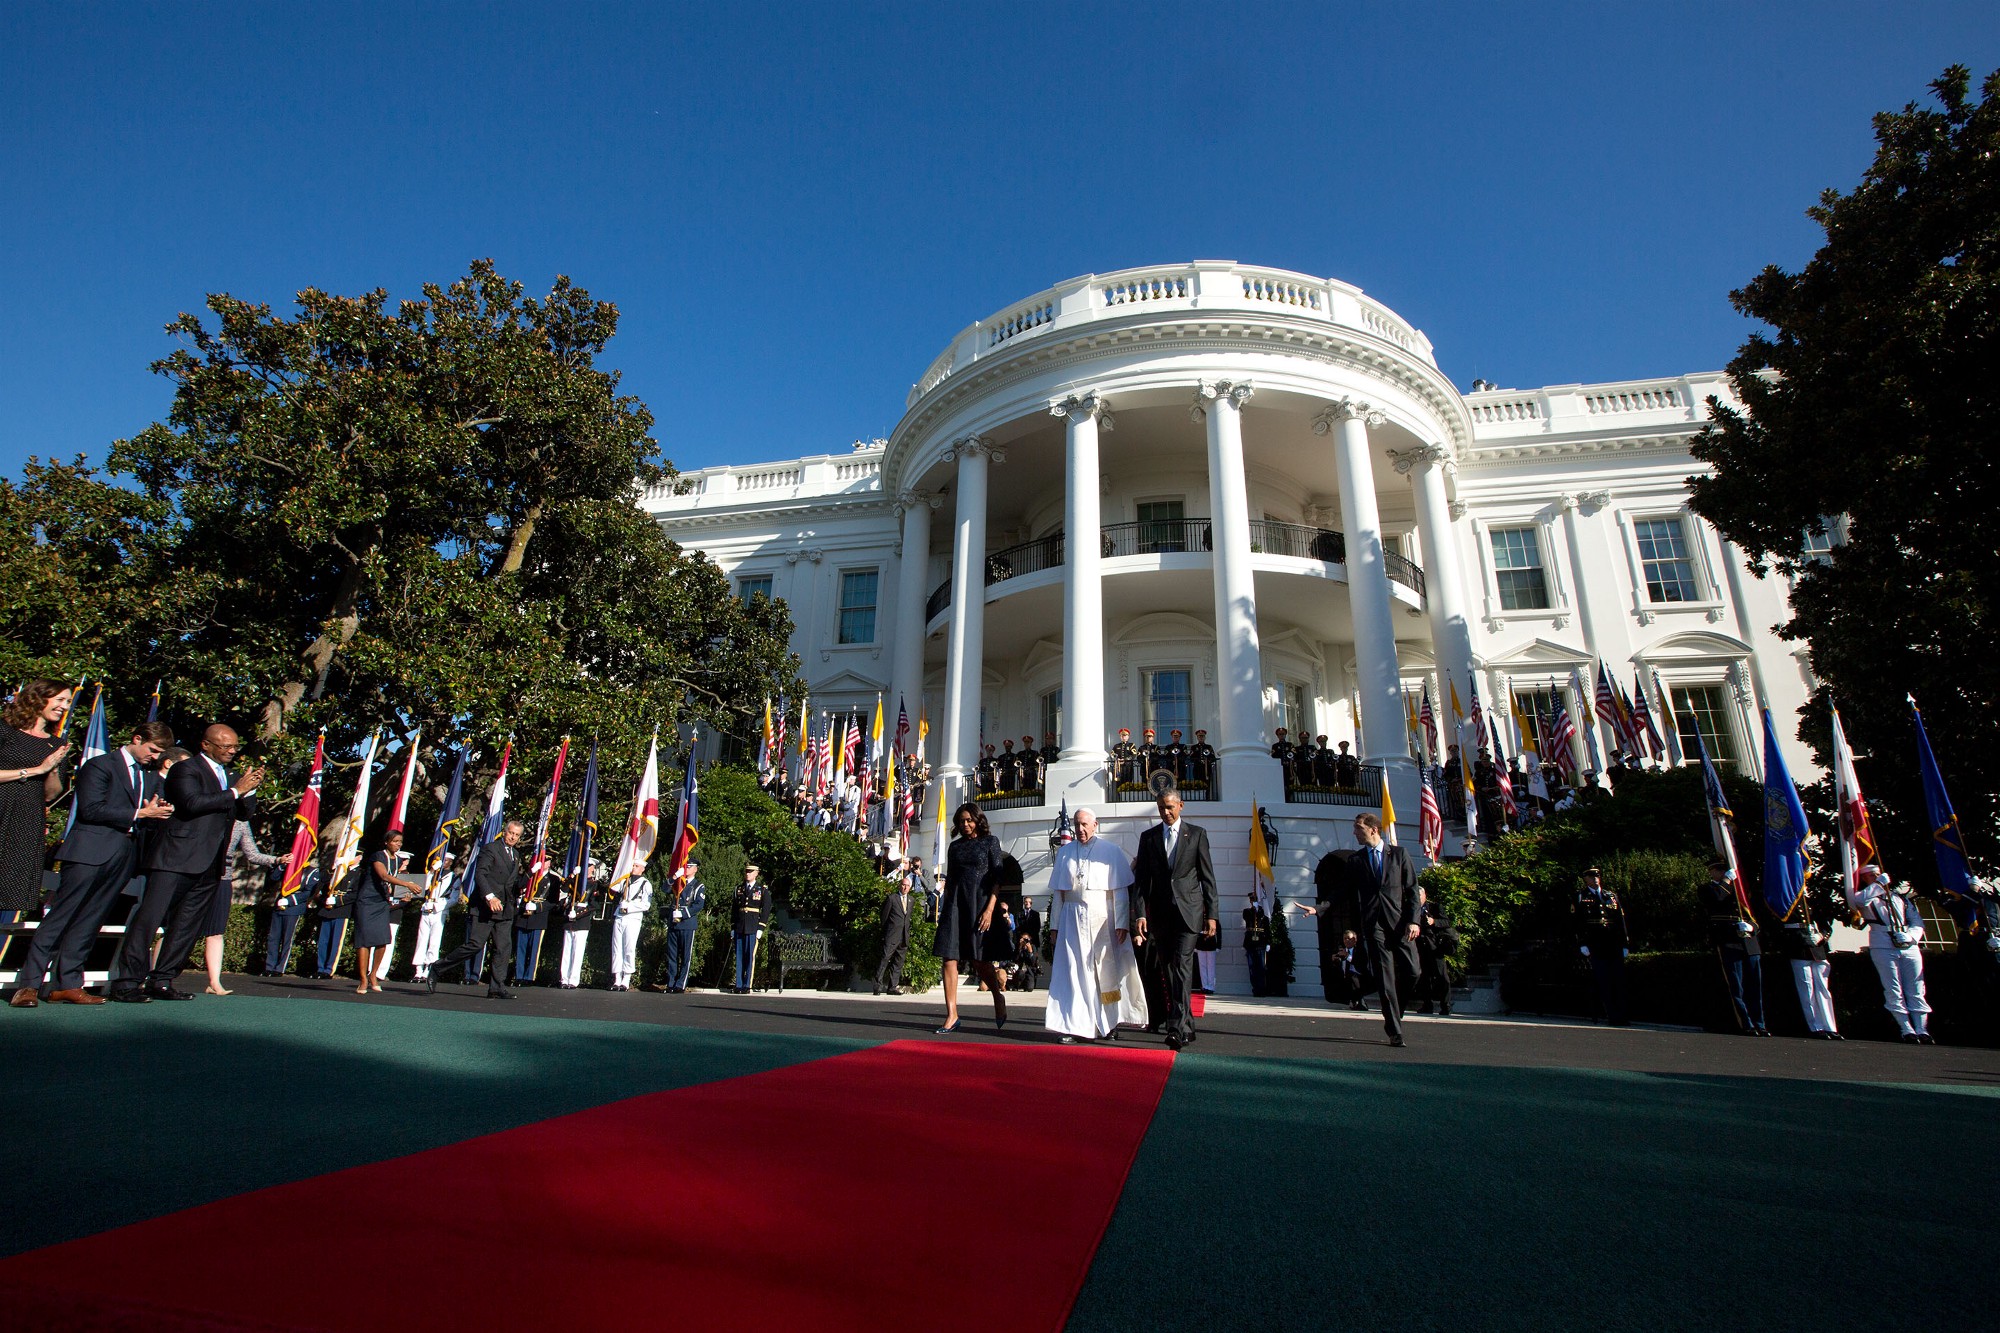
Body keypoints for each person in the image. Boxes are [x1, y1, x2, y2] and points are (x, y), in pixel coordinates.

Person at [9, 721, 174, 1006]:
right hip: (88, 852)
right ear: (136, 738)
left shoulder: (150, 776)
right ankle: (29, 986)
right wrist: (140, 813)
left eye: (160, 752)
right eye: (153, 749)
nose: (155, 756)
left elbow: (148, 812)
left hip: (123, 856)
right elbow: (91, 808)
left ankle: (69, 984)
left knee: (90, 921)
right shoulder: (100, 765)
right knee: (61, 917)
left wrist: (158, 811)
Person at [111, 724, 265, 1003]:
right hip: (176, 856)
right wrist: (234, 791)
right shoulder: (186, 769)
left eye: (234, 746)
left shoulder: (231, 776)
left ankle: (163, 979)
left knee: (187, 925)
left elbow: (243, 813)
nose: (231, 751)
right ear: (206, 744)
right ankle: (127, 982)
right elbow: (191, 803)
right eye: (224, 746)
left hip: (211, 861)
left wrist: (249, 789)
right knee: (150, 919)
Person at [1044, 807, 1148, 1042]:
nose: (1080, 829)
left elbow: (1119, 891)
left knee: (1105, 973)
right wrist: (1054, 926)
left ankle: (1107, 1024)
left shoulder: (1110, 852)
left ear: (1095, 825)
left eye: (1084, 824)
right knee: (1074, 973)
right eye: (1077, 824)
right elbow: (1059, 894)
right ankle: (1074, 1025)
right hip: (1071, 921)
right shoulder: (1065, 853)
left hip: (1103, 919)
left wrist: (1122, 923)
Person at [1131, 790, 1218, 1050]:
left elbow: (1207, 878)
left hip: (1189, 914)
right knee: (1169, 970)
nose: (1166, 812)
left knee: (1181, 965)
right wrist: (1140, 914)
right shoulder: (1149, 838)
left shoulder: (1197, 834)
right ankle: (1187, 1023)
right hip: (1160, 915)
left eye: (1170, 807)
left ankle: (1176, 1027)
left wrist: (1212, 914)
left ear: (1180, 805)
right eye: (1161, 808)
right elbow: (1141, 881)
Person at [0, 679, 73, 927]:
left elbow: (51, 794)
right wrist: (34, 770)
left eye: (68, 702)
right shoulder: (5, 731)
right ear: (38, 698)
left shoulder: (57, 744)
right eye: (60, 700)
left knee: (7, 887)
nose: (64, 707)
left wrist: (51, 769)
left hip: (25, 821)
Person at [1346, 812, 1420, 1047]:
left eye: (1358, 828)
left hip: (1400, 925)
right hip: (1374, 926)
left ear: (1373, 829)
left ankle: (1395, 1010)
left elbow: (1412, 891)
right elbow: (1344, 892)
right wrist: (1319, 908)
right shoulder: (1356, 860)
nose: (1355, 832)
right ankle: (1394, 1031)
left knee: (1413, 972)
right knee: (1384, 978)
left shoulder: (1399, 854)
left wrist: (1414, 921)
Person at [428, 820, 523, 999]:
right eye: (511, 833)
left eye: (517, 835)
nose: (513, 837)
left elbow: (510, 883)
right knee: (475, 945)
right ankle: (438, 967)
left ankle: (496, 987)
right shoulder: (491, 849)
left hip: (504, 909)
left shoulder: (515, 855)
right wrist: (490, 896)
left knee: (503, 948)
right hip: (485, 906)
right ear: (504, 832)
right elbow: (480, 874)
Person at [935, 803, 1008, 1033]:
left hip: (980, 903)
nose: (965, 825)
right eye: (961, 821)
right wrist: (945, 910)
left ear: (977, 820)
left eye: (969, 820)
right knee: (949, 957)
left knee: (979, 960)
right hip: (955, 904)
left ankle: (997, 996)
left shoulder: (990, 842)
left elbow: (997, 879)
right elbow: (953, 878)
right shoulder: (954, 847)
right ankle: (952, 1015)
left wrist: (989, 910)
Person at [1853, 865, 1931, 1043]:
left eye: (1879, 875)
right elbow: (1860, 902)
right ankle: (1906, 1029)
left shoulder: (1900, 899)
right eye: (1872, 876)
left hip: (1908, 945)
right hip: (1883, 944)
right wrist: (1877, 885)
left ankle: (1922, 1028)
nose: (1878, 877)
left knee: (1917, 988)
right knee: (1894, 988)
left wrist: (1911, 936)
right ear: (1864, 879)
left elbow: (1917, 922)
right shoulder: (1865, 897)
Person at [206, 819, 281, 995]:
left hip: (223, 880)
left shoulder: (241, 823)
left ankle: (215, 983)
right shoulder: (210, 814)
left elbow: (252, 854)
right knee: (177, 927)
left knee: (216, 932)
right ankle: (158, 978)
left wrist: (277, 859)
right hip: (198, 874)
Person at [1699, 860, 1768, 1035]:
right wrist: (1727, 881)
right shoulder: (1707, 888)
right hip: (1728, 940)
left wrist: (1753, 927)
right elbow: (1717, 899)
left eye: (1725, 870)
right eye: (1720, 870)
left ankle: (1759, 1023)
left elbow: (1754, 911)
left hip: (1749, 941)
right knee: (1736, 986)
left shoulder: (1741, 890)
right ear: (1711, 871)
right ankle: (1746, 1023)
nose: (1724, 873)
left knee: (1754, 985)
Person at [351, 831, 420, 995]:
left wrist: (405, 894)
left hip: (382, 902)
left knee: (383, 939)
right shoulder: (378, 856)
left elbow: (393, 883)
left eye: (400, 842)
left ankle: (373, 974)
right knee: (364, 941)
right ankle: (362, 979)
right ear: (386, 842)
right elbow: (383, 875)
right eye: (395, 841)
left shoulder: (398, 860)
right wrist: (407, 884)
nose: (398, 844)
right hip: (367, 901)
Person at [1575, 867, 1630, 1027]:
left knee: (1619, 980)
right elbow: (1578, 922)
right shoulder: (1581, 896)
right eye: (1592, 877)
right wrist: (1582, 943)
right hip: (1596, 944)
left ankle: (1623, 1015)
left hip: (1613, 943)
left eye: (1597, 876)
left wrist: (1624, 943)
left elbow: (1620, 920)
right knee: (1604, 981)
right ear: (1586, 879)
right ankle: (1612, 1015)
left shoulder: (1611, 896)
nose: (1596, 879)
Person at [1778, 902, 1841, 1040]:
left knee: (1823, 989)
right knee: (1807, 989)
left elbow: (1825, 924)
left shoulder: (1810, 900)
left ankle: (1830, 1027)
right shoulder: (1786, 899)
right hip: (1798, 946)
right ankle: (1816, 1027)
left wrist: (1822, 936)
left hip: (1817, 948)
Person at [654, 861, 704, 992]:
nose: (686, 869)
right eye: (685, 866)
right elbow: (664, 889)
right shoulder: (678, 882)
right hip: (674, 923)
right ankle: (670, 983)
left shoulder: (698, 885)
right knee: (672, 955)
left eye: (689, 867)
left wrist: (683, 913)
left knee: (685, 956)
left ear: (695, 869)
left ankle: (680, 984)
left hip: (687, 924)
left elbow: (698, 905)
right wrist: (674, 877)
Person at [264, 858, 317, 977]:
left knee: (287, 939)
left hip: (293, 908)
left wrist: (289, 901)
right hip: (279, 906)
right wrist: (282, 865)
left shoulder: (312, 871)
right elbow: (273, 878)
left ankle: (280, 968)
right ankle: (269, 966)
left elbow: (308, 892)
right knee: (273, 938)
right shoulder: (289, 868)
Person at [409, 851, 454, 985]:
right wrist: (431, 872)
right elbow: (424, 887)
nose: (443, 862)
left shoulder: (454, 877)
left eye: (446, 860)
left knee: (434, 941)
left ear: (451, 862)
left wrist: (437, 906)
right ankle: (418, 970)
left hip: (439, 910)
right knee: (421, 940)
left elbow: (454, 899)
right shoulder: (434, 874)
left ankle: (429, 969)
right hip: (426, 908)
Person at [609, 863, 652, 991]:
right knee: (616, 948)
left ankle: (626, 979)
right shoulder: (624, 880)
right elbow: (613, 888)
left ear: (642, 869)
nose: (633, 867)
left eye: (636, 866)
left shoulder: (645, 884)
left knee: (629, 948)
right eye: (632, 865)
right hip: (620, 916)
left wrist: (630, 907)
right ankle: (617, 979)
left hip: (633, 918)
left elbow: (646, 905)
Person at [1413, 897, 1459, 1016]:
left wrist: (1434, 921)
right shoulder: (1413, 908)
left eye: (1419, 896)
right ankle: (1427, 1005)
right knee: (1424, 978)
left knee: (1442, 977)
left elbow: (1447, 922)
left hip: (1435, 947)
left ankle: (1446, 1006)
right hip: (1420, 947)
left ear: (1424, 896)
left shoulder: (1435, 907)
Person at [729, 864, 769, 993]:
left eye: (751, 872)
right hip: (740, 926)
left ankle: (747, 985)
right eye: (746, 871)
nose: (748, 874)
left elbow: (766, 910)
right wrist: (733, 927)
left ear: (757, 873)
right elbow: (734, 910)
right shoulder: (739, 889)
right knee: (739, 956)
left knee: (750, 956)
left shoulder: (762, 889)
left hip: (752, 926)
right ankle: (739, 984)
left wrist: (761, 927)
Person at [555, 865, 595, 989]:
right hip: (569, 918)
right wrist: (572, 876)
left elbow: (594, 905)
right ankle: (564, 979)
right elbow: (564, 889)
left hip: (582, 920)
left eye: (590, 868)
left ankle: (573, 980)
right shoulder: (574, 881)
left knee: (577, 952)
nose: (589, 870)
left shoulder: (594, 884)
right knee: (567, 951)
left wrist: (578, 914)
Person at [874, 871, 913, 995]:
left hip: (903, 936)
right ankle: (877, 986)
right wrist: (886, 933)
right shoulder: (892, 898)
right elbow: (884, 917)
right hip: (892, 935)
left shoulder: (911, 900)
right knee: (885, 959)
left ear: (910, 887)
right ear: (899, 885)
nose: (905, 887)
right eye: (903, 885)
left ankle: (892, 987)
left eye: (907, 885)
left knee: (898, 963)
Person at [311, 873, 350, 979]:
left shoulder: (356, 873)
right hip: (327, 910)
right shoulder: (335, 872)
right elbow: (322, 887)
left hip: (341, 911)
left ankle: (329, 970)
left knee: (335, 942)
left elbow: (353, 894)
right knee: (323, 941)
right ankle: (320, 968)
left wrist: (337, 901)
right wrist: (324, 900)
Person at [1241, 893, 1271, 996]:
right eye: (1251, 900)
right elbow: (1248, 918)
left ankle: (1262, 989)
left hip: (1261, 942)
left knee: (1261, 967)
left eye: (1254, 900)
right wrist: (1254, 909)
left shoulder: (1263, 916)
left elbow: (1267, 930)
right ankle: (1255, 989)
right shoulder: (1247, 912)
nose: (1252, 901)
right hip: (1250, 942)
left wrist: (1268, 943)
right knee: (1252, 967)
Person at [1013, 893, 1043, 992]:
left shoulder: (1035, 914)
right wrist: (1022, 937)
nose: (1027, 904)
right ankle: (1018, 983)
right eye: (1025, 902)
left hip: (1032, 940)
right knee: (1019, 960)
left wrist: (1029, 937)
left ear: (1031, 904)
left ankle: (1031, 982)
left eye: (1029, 902)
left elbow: (1037, 927)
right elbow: (1017, 927)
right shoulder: (1019, 914)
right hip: (1021, 939)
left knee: (1033, 961)